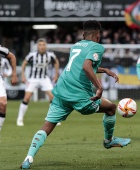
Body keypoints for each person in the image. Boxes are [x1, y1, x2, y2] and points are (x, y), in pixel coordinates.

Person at [20, 20, 131, 169]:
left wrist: (104, 70)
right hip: (80, 97)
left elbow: (80, 66)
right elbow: (86, 66)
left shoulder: (76, 45)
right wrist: (99, 87)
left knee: (47, 126)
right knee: (111, 108)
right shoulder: (97, 47)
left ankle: (28, 158)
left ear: (84, 34)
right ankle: (108, 140)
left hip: (61, 92)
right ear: (98, 36)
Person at [16, 38, 59, 126]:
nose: (42, 47)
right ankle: (20, 119)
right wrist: (23, 76)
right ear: (37, 46)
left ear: (46, 46)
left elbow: (56, 61)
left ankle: (54, 118)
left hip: (44, 78)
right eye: (40, 45)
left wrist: (56, 74)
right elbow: (24, 63)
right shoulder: (32, 54)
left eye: (43, 45)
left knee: (53, 97)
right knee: (27, 98)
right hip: (33, 79)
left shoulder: (50, 54)